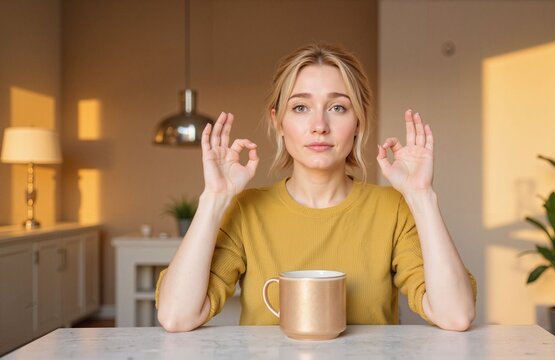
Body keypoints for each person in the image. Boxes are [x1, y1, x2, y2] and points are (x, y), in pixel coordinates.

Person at [155, 43, 476, 332]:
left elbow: (455, 315)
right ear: (278, 121)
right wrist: (214, 199)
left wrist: (422, 197)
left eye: (338, 107)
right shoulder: (244, 209)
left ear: (359, 120)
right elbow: (176, 316)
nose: (319, 126)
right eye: (300, 107)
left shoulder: (392, 208)